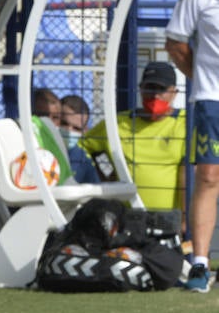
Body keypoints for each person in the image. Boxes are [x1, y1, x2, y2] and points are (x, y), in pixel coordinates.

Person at [167, 0, 219, 290]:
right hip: (211, 99)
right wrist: (200, 79)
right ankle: (200, 263)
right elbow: (176, 43)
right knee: (209, 175)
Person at [79, 62, 186, 212]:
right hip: (125, 217)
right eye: (150, 88)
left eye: (161, 89)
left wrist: (185, 220)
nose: (155, 95)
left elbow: (192, 175)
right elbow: (83, 147)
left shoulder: (184, 123)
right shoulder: (118, 122)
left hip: (168, 219)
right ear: (140, 89)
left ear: (174, 92)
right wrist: (106, 175)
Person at [59, 93, 100, 185]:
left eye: (76, 128)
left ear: (85, 131)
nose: (69, 131)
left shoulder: (80, 158)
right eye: (64, 123)